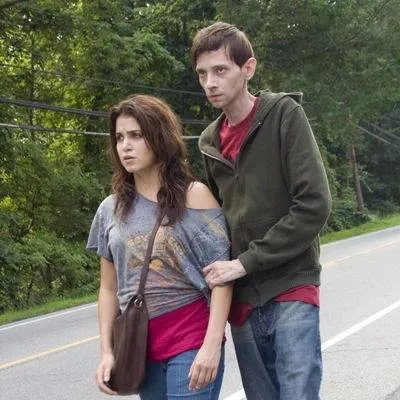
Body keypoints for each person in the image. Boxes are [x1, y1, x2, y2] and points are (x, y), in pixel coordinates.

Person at [191, 22, 332, 400]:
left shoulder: (284, 115)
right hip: (244, 299)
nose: (210, 83)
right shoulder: (208, 142)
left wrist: (245, 262)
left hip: (291, 283)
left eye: (220, 70)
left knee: (299, 393)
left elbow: (314, 204)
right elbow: (216, 224)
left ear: (248, 68)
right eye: (202, 74)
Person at [87, 94, 232, 400]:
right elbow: (108, 289)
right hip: (141, 350)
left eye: (136, 135)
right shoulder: (110, 210)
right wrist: (107, 352)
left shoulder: (195, 196)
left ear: (159, 137)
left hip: (191, 338)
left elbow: (221, 277)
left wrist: (211, 346)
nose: (125, 146)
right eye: (119, 138)